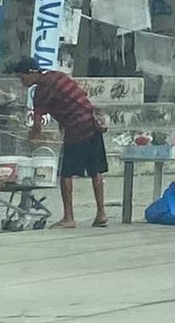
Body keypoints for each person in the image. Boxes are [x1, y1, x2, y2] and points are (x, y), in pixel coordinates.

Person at [9, 59, 108, 228]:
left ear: (32, 73)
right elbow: (73, 98)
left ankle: (68, 217)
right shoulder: (58, 76)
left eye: (22, 77)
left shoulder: (41, 91)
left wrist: (32, 139)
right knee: (95, 170)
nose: (22, 81)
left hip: (77, 129)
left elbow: (37, 125)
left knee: (66, 173)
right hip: (92, 122)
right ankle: (101, 214)